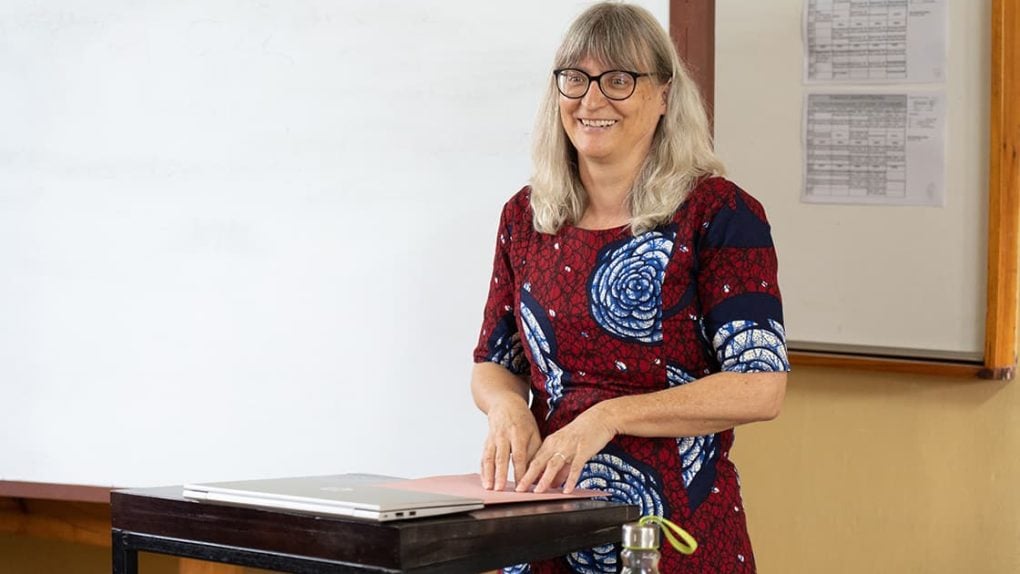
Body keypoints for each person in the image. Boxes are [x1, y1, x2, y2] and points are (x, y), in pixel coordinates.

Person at [471, 3, 789, 573]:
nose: (592, 100)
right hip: (545, 527)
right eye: (576, 78)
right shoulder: (526, 216)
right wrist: (505, 407)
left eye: (619, 80)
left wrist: (609, 416)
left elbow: (759, 388)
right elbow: (494, 363)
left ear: (664, 95)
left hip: (673, 534)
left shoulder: (720, 214)